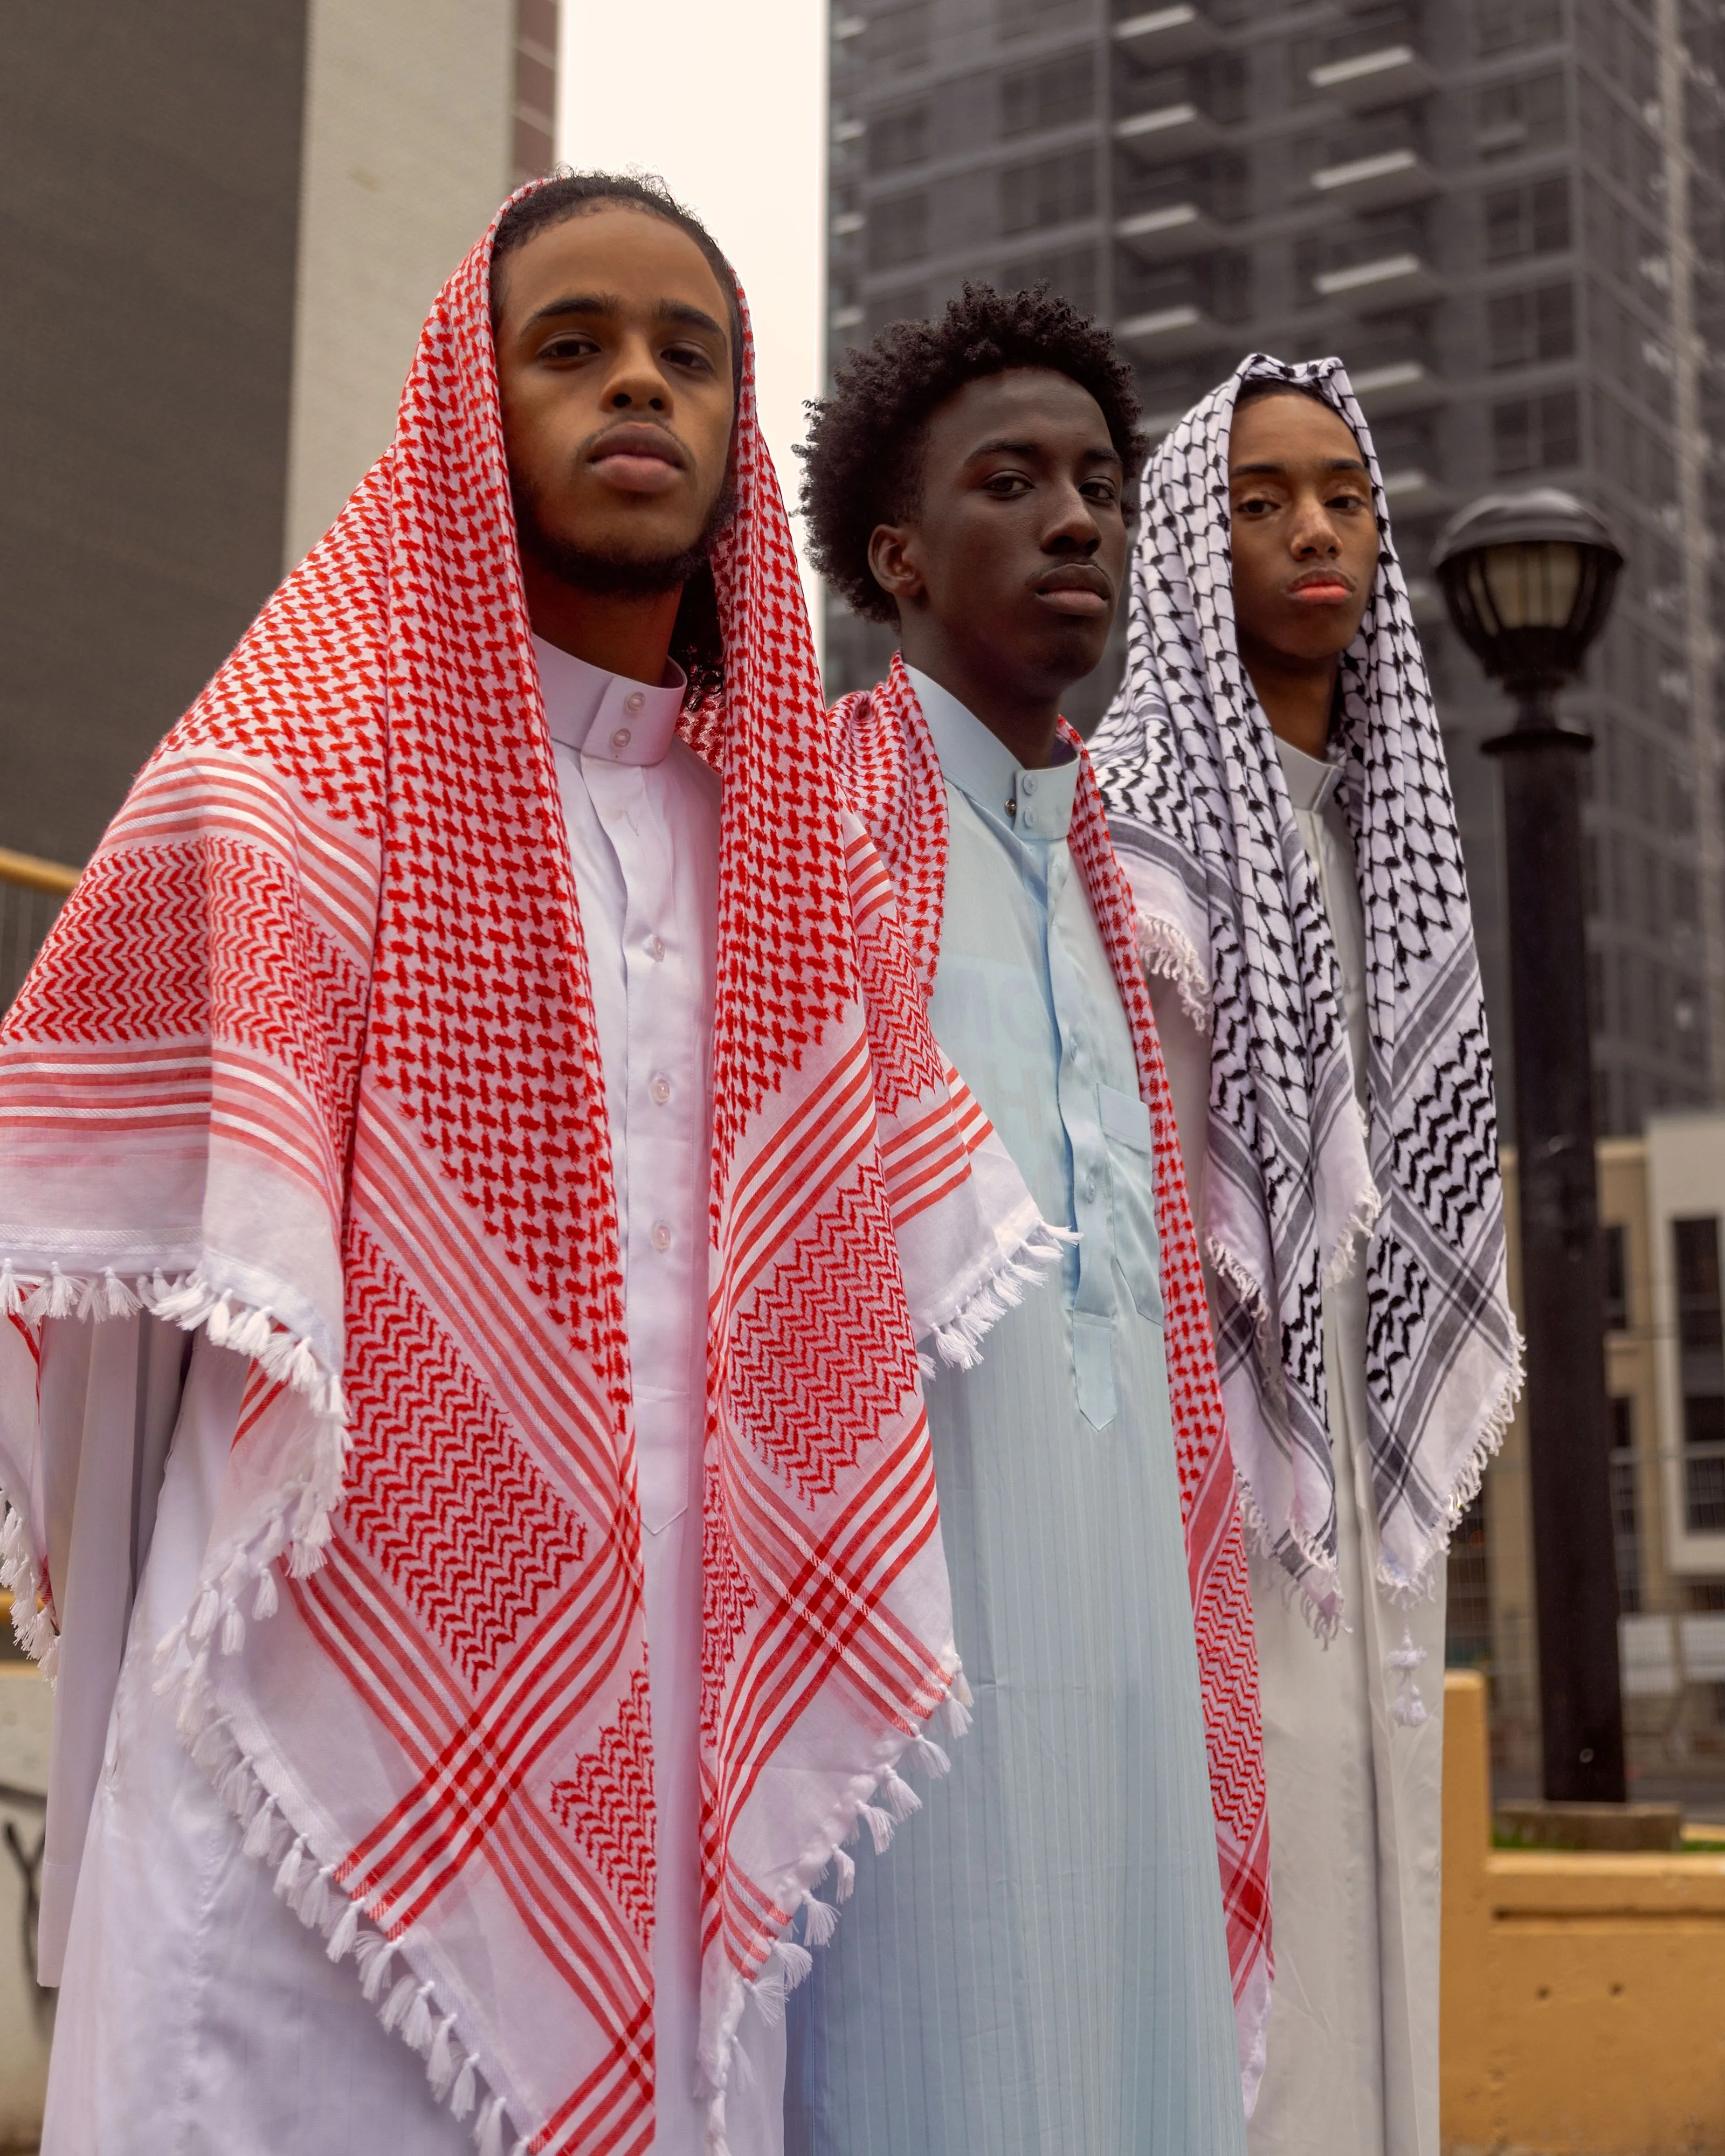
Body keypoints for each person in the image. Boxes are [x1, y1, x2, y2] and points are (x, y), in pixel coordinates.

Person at [0, 175, 1067, 2156]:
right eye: (570, 346)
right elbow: (92, 1265)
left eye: (687, 352)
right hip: (305, 1764)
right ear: (465, 409)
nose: (635, 386)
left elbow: (886, 1314)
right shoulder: (281, 777)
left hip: (688, 1746)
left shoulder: (797, 860)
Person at [792, 284, 1271, 2155]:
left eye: (1101, 482)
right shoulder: (803, 834)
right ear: (895, 555)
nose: (1080, 519)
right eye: (1014, 481)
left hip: (1133, 1586)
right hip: (912, 1596)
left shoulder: (1134, 895)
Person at [1093, 357, 1522, 2156]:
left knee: (1370, 1869)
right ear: (1195, 539)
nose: (1313, 530)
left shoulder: (1383, 834)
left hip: (1362, 1484)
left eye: (1341, 494)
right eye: (1260, 499)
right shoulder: (1125, 820)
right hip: (1199, 1477)